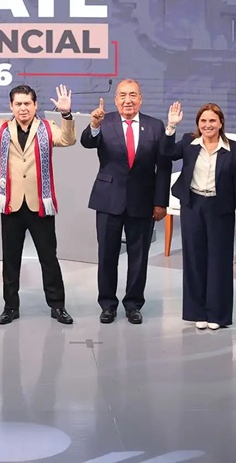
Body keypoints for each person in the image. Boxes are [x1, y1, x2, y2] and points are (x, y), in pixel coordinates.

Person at [0, 83, 76, 325]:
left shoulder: (48, 128)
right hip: (11, 205)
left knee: (48, 258)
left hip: (40, 204)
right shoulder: (0, 129)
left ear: (35, 105)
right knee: (10, 260)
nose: (23, 108)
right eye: (18, 104)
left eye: (27, 103)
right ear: (11, 106)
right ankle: (10, 307)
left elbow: (68, 139)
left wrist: (66, 115)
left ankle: (57, 306)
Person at [80, 79, 171, 324]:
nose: (127, 100)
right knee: (107, 254)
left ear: (140, 99)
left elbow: (163, 167)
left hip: (143, 200)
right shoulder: (104, 121)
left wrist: (161, 202)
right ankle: (107, 304)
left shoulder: (155, 126)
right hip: (108, 199)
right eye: (122, 95)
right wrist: (94, 125)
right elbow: (87, 142)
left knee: (138, 256)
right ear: (115, 99)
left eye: (132, 95)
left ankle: (133, 304)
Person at [162, 102, 236, 329]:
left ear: (221, 123)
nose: (207, 125)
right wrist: (171, 126)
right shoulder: (188, 143)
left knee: (219, 262)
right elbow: (166, 153)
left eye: (212, 120)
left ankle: (217, 315)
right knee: (194, 259)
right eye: (203, 121)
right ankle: (197, 312)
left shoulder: (234, 148)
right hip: (193, 205)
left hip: (221, 209)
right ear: (198, 124)